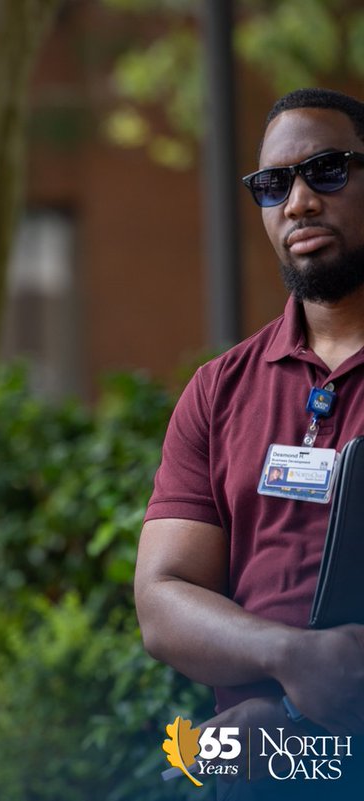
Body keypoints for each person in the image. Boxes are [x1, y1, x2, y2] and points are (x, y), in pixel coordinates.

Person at [136, 88, 364, 799]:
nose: (298, 201)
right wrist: (292, 658)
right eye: (273, 184)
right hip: (262, 764)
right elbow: (162, 595)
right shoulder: (219, 389)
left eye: (326, 170)